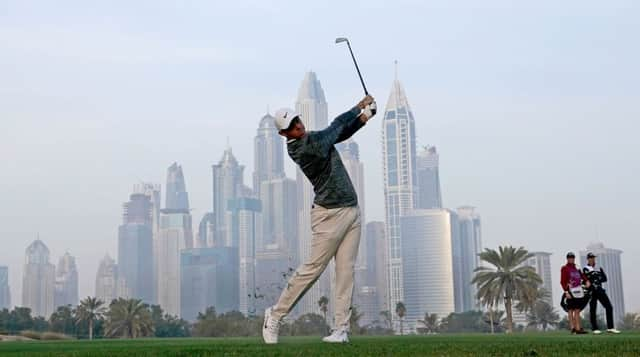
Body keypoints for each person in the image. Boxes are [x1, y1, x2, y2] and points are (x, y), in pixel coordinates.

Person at [262, 95, 377, 344]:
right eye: (292, 126)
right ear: (284, 135)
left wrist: (365, 118)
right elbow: (335, 127)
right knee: (312, 270)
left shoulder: (311, 137)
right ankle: (275, 315)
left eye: (297, 120)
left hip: (351, 210)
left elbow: (340, 134)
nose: (298, 126)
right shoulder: (304, 147)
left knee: (346, 272)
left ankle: (341, 329)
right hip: (329, 216)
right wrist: (359, 107)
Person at [583, 252, 621, 334]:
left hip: (600, 290)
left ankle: (610, 327)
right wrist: (596, 277)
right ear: (588, 259)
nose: (592, 259)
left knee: (609, 307)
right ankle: (594, 328)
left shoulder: (598, 267)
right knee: (593, 309)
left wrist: (596, 277)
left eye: (593, 258)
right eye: (591, 258)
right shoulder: (585, 268)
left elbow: (604, 278)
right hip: (592, 291)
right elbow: (589, 279)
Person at [560, 252, 590, 334]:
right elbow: (562, 281)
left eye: (572, 257)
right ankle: (572, 328)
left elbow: (582, 275)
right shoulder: (564, 268)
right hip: (570, 291)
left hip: (578, 290)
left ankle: (578, 328)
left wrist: (587, 281)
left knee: (577, 310)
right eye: (569, 257)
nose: (571, 259)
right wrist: (566, 292)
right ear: (567, 259)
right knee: (571, 310)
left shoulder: (577, 268)